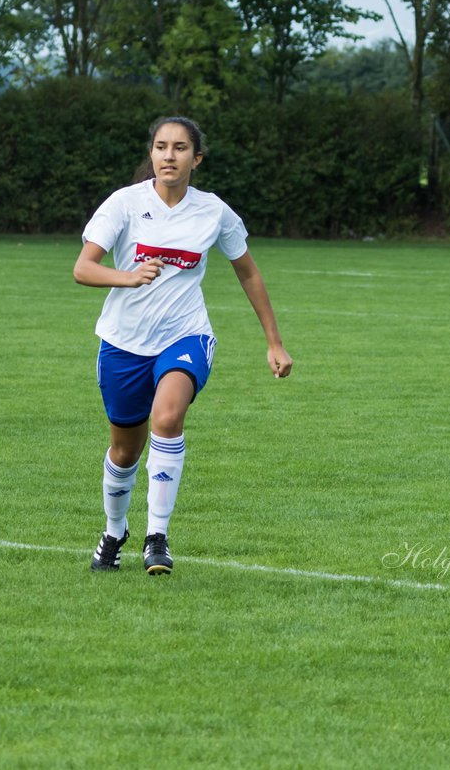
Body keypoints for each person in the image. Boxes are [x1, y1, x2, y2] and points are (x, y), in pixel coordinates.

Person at [74, 116, 292, 575]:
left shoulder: (213, 211)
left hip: (186, 335)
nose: (168, 156)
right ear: (151, 154)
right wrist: (128, 276)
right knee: (124, 451)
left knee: (168, 417)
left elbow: (248, 271)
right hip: (123, 343)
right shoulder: (124, 204)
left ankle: (157, 536)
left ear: (197, 157)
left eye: (179, 148)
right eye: (160, 147)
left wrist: (274, 341)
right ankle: (115, 532)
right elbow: (84, 268)